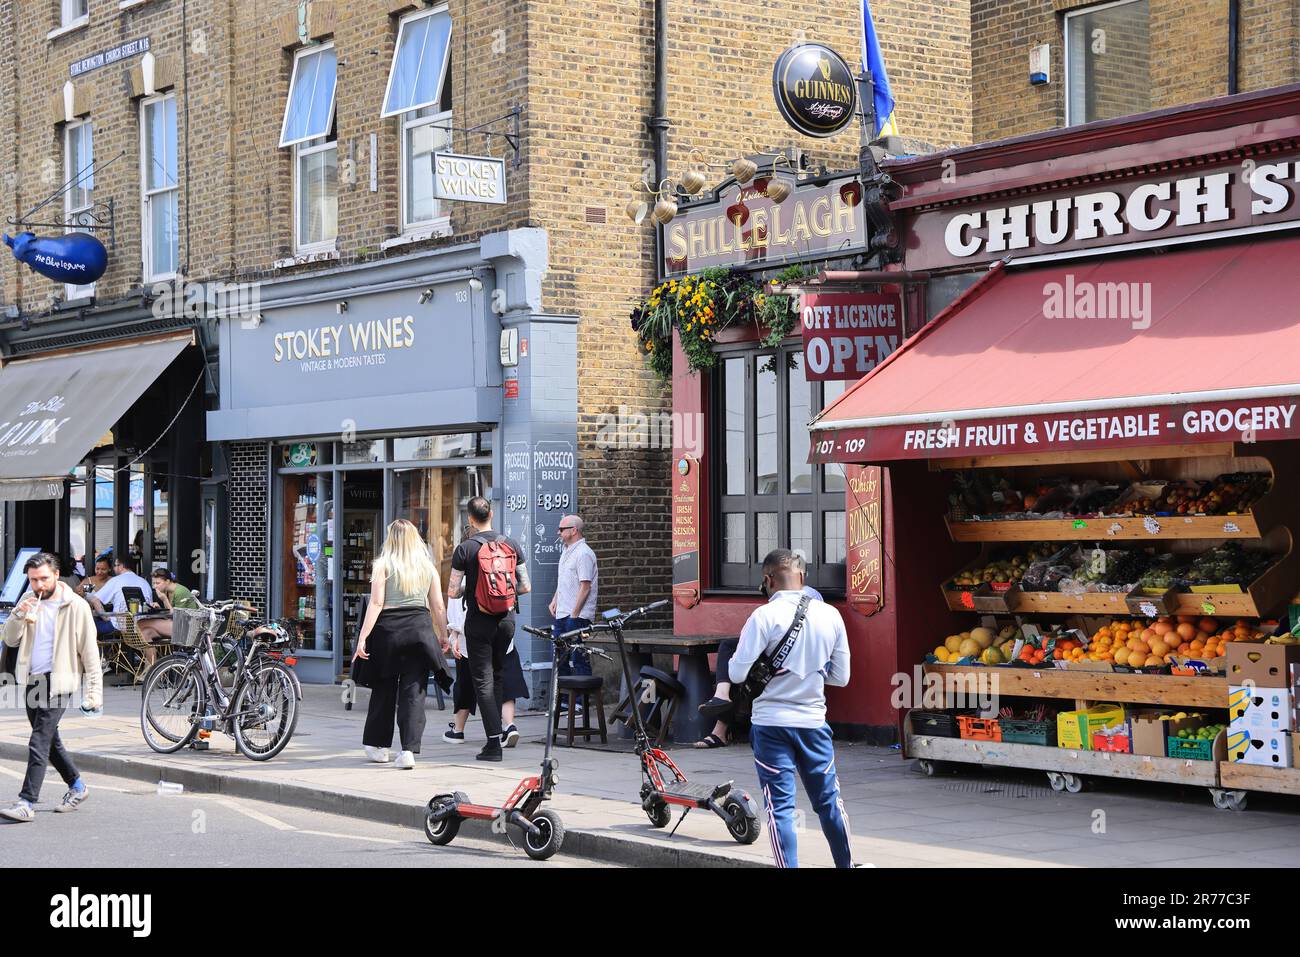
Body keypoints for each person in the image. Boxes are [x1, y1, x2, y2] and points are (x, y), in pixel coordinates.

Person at [730, 549, 852, 868]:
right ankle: (845, 864)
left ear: (768, 580)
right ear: (803, 576)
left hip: (771, 725)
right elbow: (841, 677)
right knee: (829, 803)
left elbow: (736, 674)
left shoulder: (763, 617)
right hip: (814, 724)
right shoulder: (831, 616)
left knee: (780, 808)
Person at [0, 552, 101, 821]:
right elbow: (9, 640)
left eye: (43, 578)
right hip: (32, 679)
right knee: (49, 740)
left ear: (56, 575)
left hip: (60, 681)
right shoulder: (28, 600)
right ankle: (77, 786)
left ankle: (26, 802)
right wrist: (18, 616)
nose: (38, 585)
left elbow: (90, 653)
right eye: (33, 580)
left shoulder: (75, 606)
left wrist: (94, 693)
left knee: (38, 741)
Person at [353, 519, 452, 770]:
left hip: (388, 631)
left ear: (391, 540)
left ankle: (378, 747)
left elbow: (375, 605)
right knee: (414, 692)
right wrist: (443, 634)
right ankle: (408, 750)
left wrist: (363, 637)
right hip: (419, 630)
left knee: (384, 689)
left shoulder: (383, 565)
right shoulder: (427, 567)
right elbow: (438, 606)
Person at [695, 557, 823, 749]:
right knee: (740, 661)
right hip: (791, 657)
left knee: (737, 660)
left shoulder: (801, 598)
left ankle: (720, 718)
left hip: (792, 656)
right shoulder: (817, 604)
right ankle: (722, 707)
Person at [448, 496, 531, 762]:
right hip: (506, 621)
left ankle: (493, 744)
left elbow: (452, 591)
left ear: (470, 519)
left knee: (482, 680)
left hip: (478, 620)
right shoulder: (511, 544)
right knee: (497, 676)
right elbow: (526, 586)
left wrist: (474, 589)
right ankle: (497, 736)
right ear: (491, 514)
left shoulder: (465, 549)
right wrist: (502, 594)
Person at [549, 514, 598, 680]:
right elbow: (564, 579)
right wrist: (555, 599)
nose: (558, 532)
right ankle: (564, 701)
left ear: (574, 530)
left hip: (578, 616)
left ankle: (579, 704)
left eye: (562, 529)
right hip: (563, 613)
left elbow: (586, 586)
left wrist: (575, 614)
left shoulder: (584, 553)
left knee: (578, 658)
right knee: (560, 658)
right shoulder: (566, 552)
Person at [135, 568, 200, 667]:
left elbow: (177, 617)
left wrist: (164, 600)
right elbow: (170, 613)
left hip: (187, 628)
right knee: (145, 633)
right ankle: (151, 668)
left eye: (158, 583)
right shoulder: (167, 591)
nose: (155, 586)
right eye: (154, 583)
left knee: (141, 623)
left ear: (168, 581)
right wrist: (160, 608)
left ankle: (153, 668)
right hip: (176, 625)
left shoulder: (180, 591)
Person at [86, 555, 154, 636]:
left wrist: (106, 618)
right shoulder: (144, 582)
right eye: (97, 569)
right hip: (142, 627)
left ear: (120, 566)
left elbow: (94, 600)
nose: (114, 568)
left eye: (115, 565)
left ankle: (98, 649)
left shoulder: (115, 580)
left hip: (118, 627)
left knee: (88, 625)